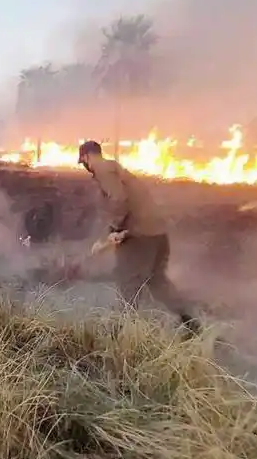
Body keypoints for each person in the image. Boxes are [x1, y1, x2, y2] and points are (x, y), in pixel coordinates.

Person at [77, 140, 202, 338]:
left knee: (127, 280)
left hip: (140, 234)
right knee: (158, 281)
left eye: (83, 161)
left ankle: (124, 335)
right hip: (158, 232)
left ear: (87, 157)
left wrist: (116, 228)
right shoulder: (118, 169)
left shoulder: (102, 168)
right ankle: (191, 322)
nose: (85, 166)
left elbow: (118, 198)